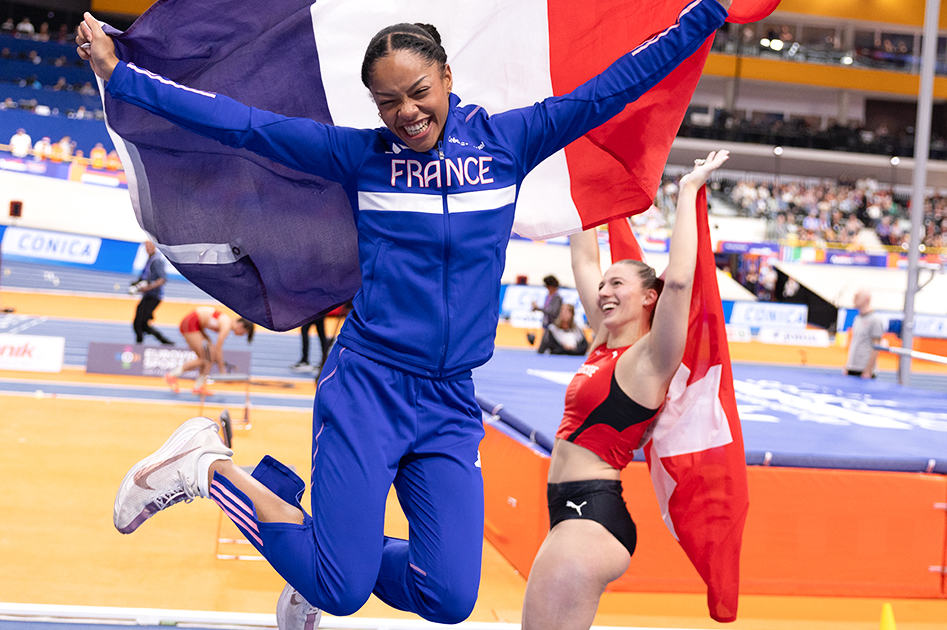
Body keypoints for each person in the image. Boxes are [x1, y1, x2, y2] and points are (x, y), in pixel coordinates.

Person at [79, 2, 730, 627]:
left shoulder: (510, 143)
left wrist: (708, 13)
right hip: (369, 388)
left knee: (448, 596)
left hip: (449, 402)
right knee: (341, 588)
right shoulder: (361, 158)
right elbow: (240, 124)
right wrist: (123, 78)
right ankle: (205, 466)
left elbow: (614, 86)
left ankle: (314, 564)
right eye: (388, 101)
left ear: (447, 76)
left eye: (418, 90)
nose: (407, 112)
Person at [521, 151, 728, 630]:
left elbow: (679, 282)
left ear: (648, 297)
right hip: (574, 510)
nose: (604, 290)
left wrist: (690, 191)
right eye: (604, 285)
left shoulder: (652, 358)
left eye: (618, 284)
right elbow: (583, 254)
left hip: (591, 511)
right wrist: (580, 169)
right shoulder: (604, 340)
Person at [165, 306, 254, 395]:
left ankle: (198, 387)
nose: (242, 335)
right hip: (191, 322)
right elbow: (218, 349)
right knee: (203, 358)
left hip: (197, 325)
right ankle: (172, 375)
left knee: (209, 357)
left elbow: (215, 350)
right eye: (244, 333)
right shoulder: (226, 325)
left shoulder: (226, 322)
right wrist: (222, 371)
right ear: (241, 326)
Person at [131, 240, 174, 346]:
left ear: (154, 247)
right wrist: (135, 286)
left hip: (154, 296)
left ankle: (161, 342)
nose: (148, 249)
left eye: (150, 246)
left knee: (140, 322)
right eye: (146, 246)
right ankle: (163, 342)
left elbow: (162, 279)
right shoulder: (149, 260)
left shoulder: (157, 261)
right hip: (148, 295)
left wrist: (148, 287)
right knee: (141, 323)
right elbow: (142, 278)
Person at [844, 288, 884, 379]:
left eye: (857, 297)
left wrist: (868, 370)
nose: (854, 300)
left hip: (863, 370)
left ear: (866, 299)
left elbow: (876, 347)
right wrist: (847, 365)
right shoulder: (857, 318)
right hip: (852, 366)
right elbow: (855, 343)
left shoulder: (875, 320)